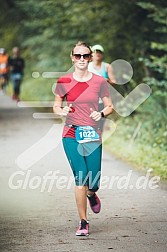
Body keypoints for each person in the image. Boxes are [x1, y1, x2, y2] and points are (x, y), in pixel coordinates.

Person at [53, 41, 112, 236]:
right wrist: (62, 110)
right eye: (77, 56)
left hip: (92, 134)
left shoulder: (99, 82)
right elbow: (56, 106)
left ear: (91, 57)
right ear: (72, 57)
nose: (81, 59)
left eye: (85, 56)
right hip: (71, 133)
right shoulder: (64, 81)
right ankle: (83, 222)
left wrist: (101, 114)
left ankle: (92, 193)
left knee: (93, 180)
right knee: (81, 176)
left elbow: (109, 106)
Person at [88, 44, 116, 131]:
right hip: (89, 99)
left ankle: (98, 140)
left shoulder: (107, 66)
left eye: (99, 52)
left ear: (102, 54)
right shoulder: (87, 66)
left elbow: (114, 81)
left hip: (103, 99)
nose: (97, 54)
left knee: (100, 124)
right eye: (95, 52)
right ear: (91, 54)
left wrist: (105, 81)